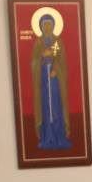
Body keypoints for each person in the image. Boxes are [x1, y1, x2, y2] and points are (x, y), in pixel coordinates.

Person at [31, 13, 71, 150]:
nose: (47, 27)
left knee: (56, 107)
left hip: (55, 82)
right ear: (41, 27)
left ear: (53, 26)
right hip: (43, 80)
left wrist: (56, 71)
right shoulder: (39, 43)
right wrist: (42, 58)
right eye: (45, 25)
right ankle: (47, 137)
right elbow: (34, 62)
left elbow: (62, 61)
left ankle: (59, 136)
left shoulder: (58, 42)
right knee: (46, 108)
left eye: (49, 24)